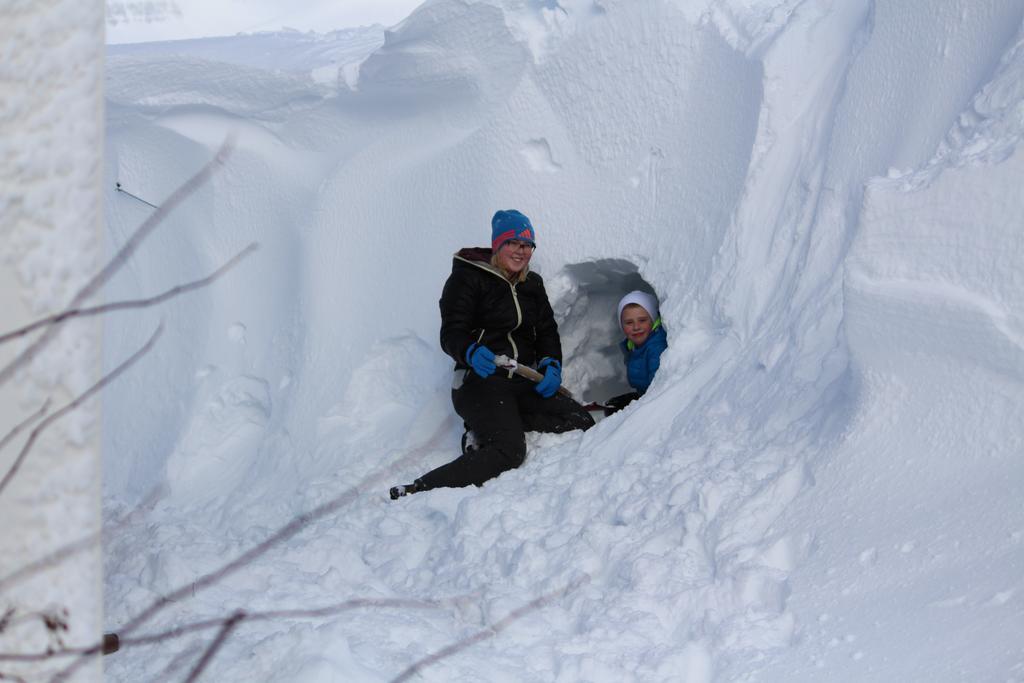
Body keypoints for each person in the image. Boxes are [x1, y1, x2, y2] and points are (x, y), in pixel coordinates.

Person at [390, 210, 595, 499]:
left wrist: (551, 363)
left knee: (579, 418)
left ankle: (499, 423)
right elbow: (452, 332)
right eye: (513, 242)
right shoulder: (467, 279)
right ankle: (420, 487)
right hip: (479, 380)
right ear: (498, 245)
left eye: (526, 245)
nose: (521, 251)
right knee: (509, 451)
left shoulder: (531, 285)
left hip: (521, 379)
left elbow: (546, 331)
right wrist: (470, 352)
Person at [603, 290, 668, 415]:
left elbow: (658, 391)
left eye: (642, 320)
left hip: (656, 404)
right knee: (612, 406)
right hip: (645, 396)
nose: (636, 327)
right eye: (629, 322)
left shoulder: (656, 348)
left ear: (653, 320)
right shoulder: (632, 345)